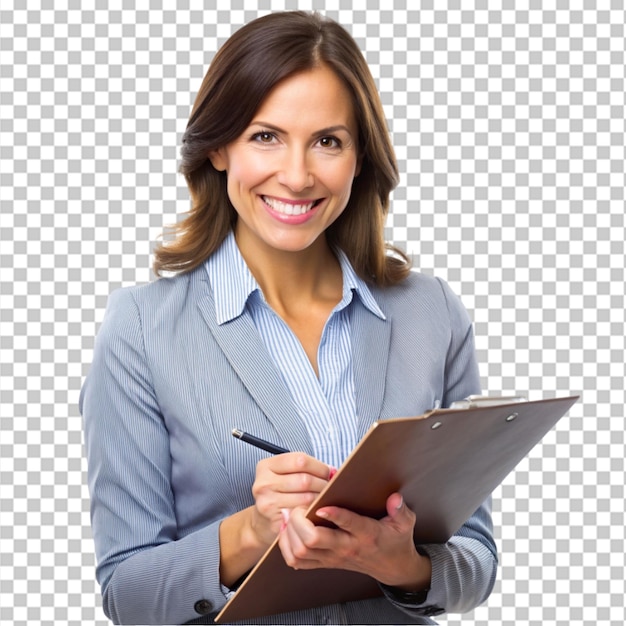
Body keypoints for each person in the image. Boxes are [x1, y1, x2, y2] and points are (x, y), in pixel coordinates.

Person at [80, 10, 497, 625]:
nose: (297, 176)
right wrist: (249, 533)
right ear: (219, 147)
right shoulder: (142, 330)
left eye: (328, 141)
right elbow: (128, 595)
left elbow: (477, 561)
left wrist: (400, 564)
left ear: (359, 158)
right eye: (265, 136)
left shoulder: (429, 313)